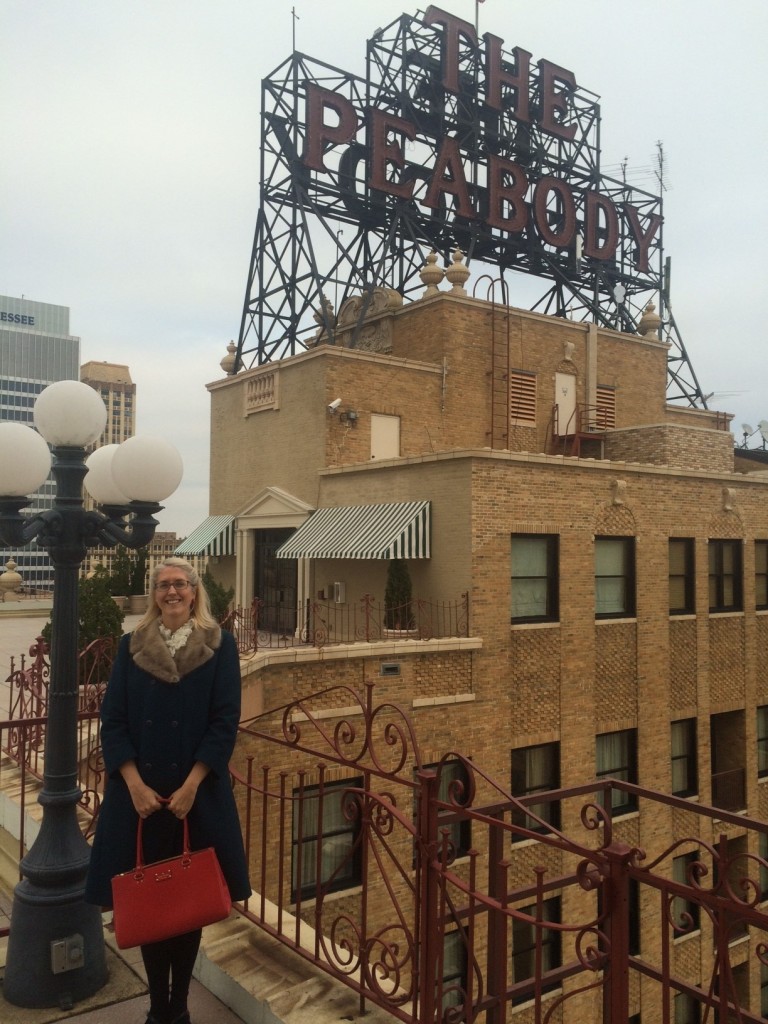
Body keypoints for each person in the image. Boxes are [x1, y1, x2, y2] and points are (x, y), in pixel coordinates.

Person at [85, 557, 251, 1024]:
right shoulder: (131, 645)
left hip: (194, 797)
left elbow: (224, 723)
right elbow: (113, 721)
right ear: (154, 594)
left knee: (188, 904)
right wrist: (134, 784)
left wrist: (192, 785)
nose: (172, 592)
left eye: (180, 584)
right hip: (139, 799)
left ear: (195, 593)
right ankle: (160, 1008)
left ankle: (178, 1009)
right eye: (163, 585)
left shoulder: (220, 646)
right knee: (150, 907)